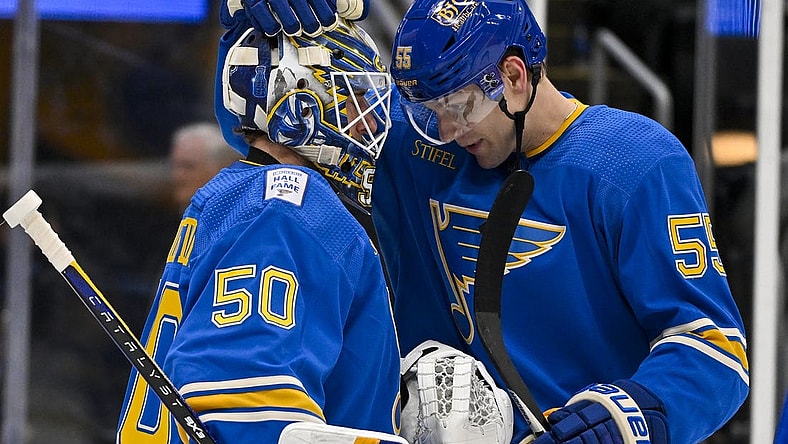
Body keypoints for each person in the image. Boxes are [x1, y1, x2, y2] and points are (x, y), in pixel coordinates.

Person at [213, 0, 749, 443]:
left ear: (514, 76)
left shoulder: (634, 162)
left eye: (460, 105)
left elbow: (716, 352)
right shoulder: (413, 148)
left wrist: (622, 419)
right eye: (426, 110)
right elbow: (273, 136)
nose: (445, 128)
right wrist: (247, 45)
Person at [116, 19, 400, 443]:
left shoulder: (240, 196)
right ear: (298, 106)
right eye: (352, 99)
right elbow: (246, 410)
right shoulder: (289, 207)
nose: (369, 125)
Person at [169, 122, 239, 211]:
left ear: (221, 170)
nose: (177, 176)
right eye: (176, 166)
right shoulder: (157, 221)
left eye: (188, 167)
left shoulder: (245, 219)